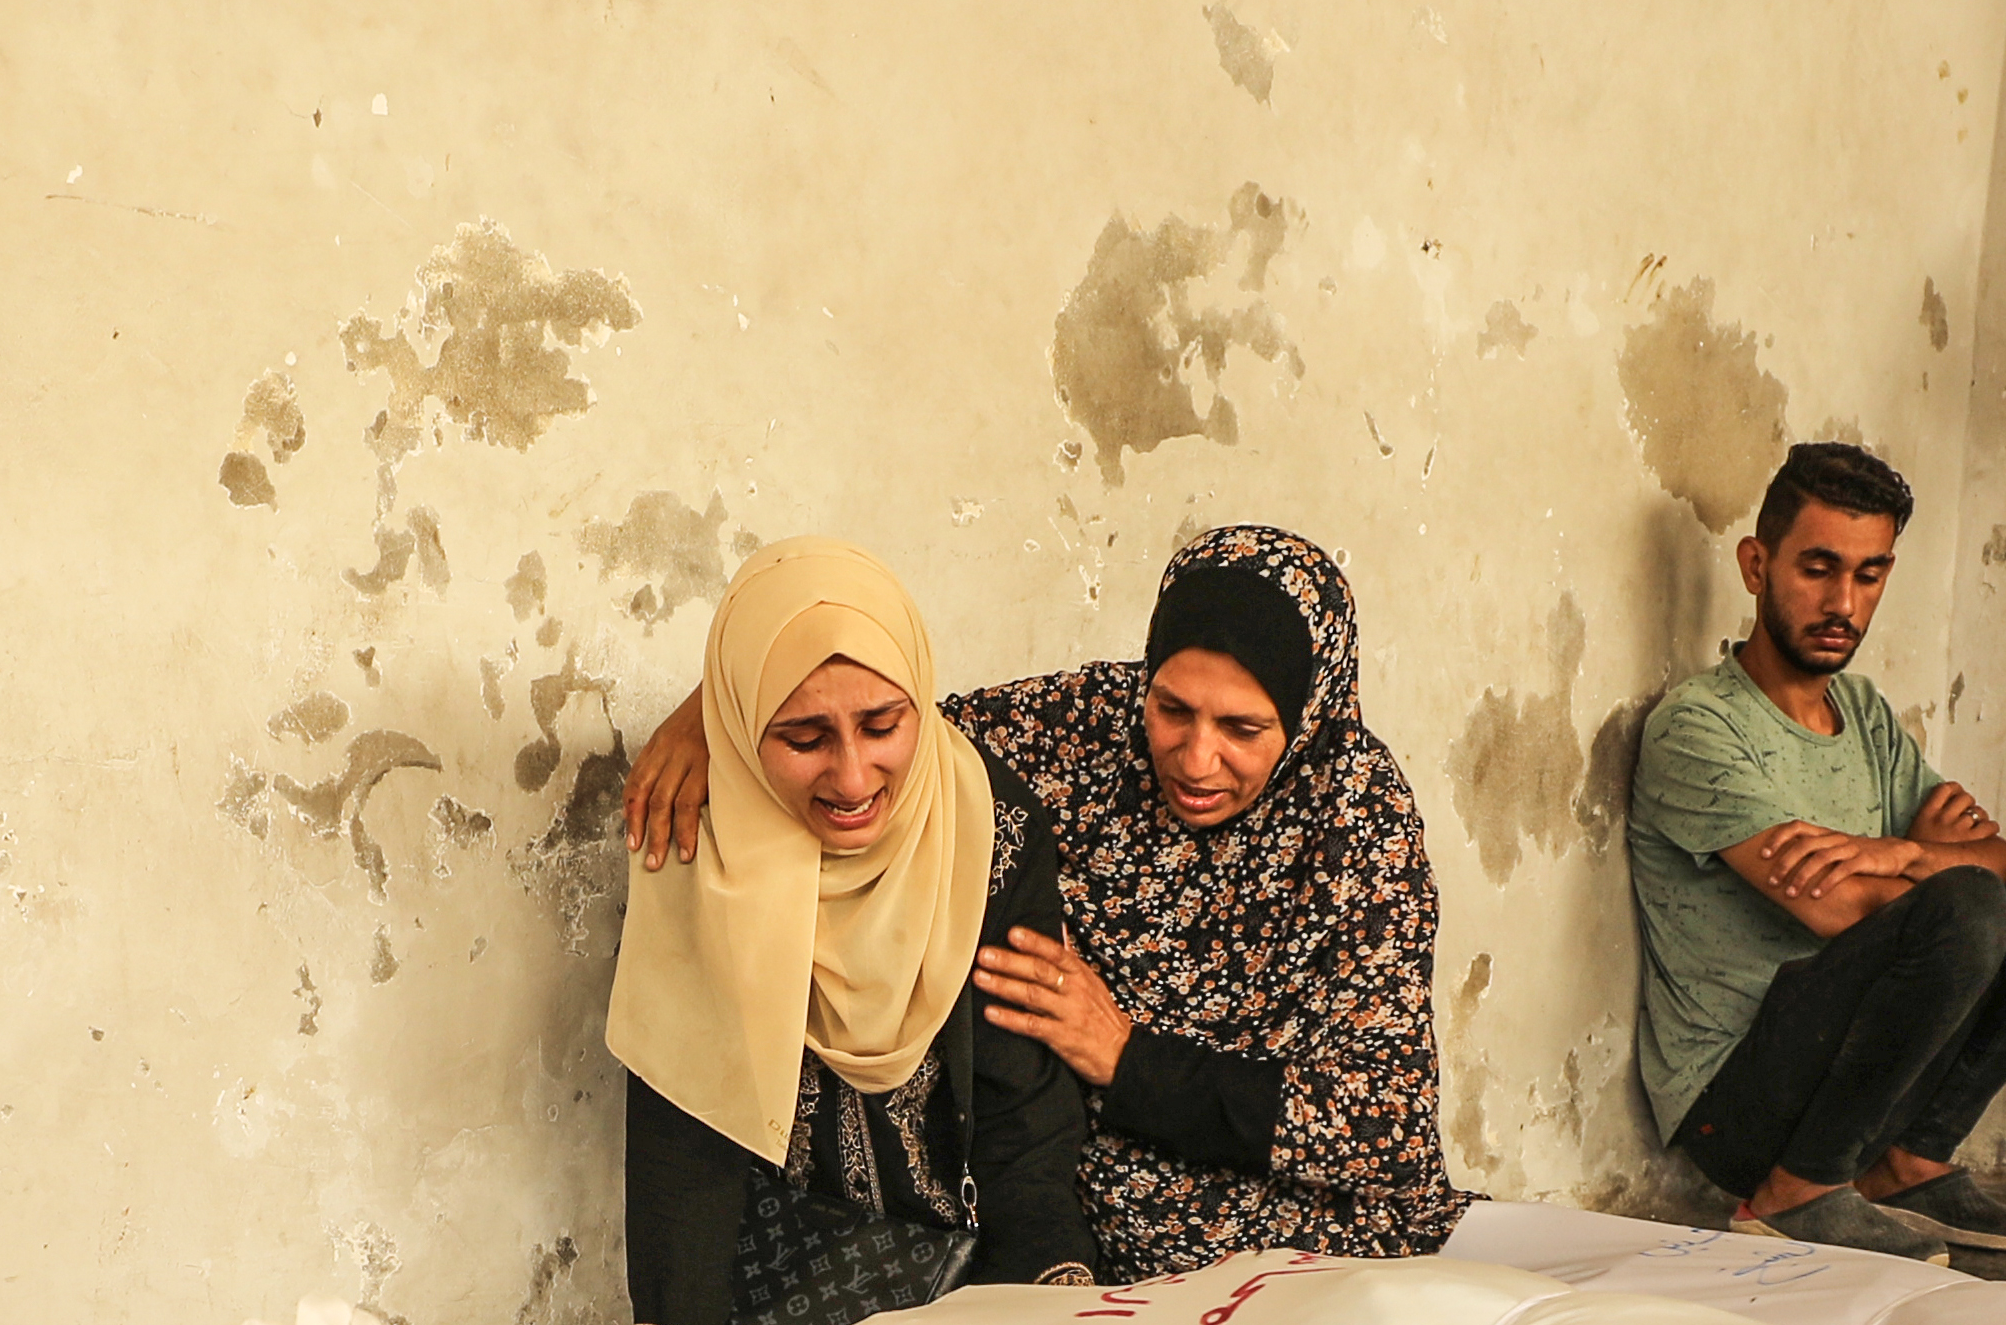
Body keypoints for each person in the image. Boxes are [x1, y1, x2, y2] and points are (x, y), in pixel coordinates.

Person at [623, 528, 1464, 1284]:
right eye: (1172, 708)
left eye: (1242, 729)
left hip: (1307, 1253)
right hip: (1098, 1248)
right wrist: (712, 716)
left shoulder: (1358, 820)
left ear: (1308, 718)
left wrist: (1126, 1059)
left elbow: (1383, 1130)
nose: (1195, 757)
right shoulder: (1084, 727)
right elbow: (877, 714)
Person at [1625, 441, 2006, 1262]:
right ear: (1756, 565)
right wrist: (1929, 862)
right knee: (1963, 908)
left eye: (1867, 576)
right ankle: (1792, 1193)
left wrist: (1895, 852)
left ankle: (1908, 1163)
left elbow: (2002, 861)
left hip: (1864, 1083)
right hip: (1741, 1102)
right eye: (1818, 569)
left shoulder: (1863, 713)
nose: (1843, 602)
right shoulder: (1698, 727)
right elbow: (1840, 909)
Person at [607, 538, 1092, 1325]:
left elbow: (1022, 1107)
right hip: (775, 1314)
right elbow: (685, 1118)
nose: (853, 776)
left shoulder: (985, 825)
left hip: (969, 1287)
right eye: (803, 738)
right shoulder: (698, 834)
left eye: (882, 726)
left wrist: (1055, 1307)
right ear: (739, 726)